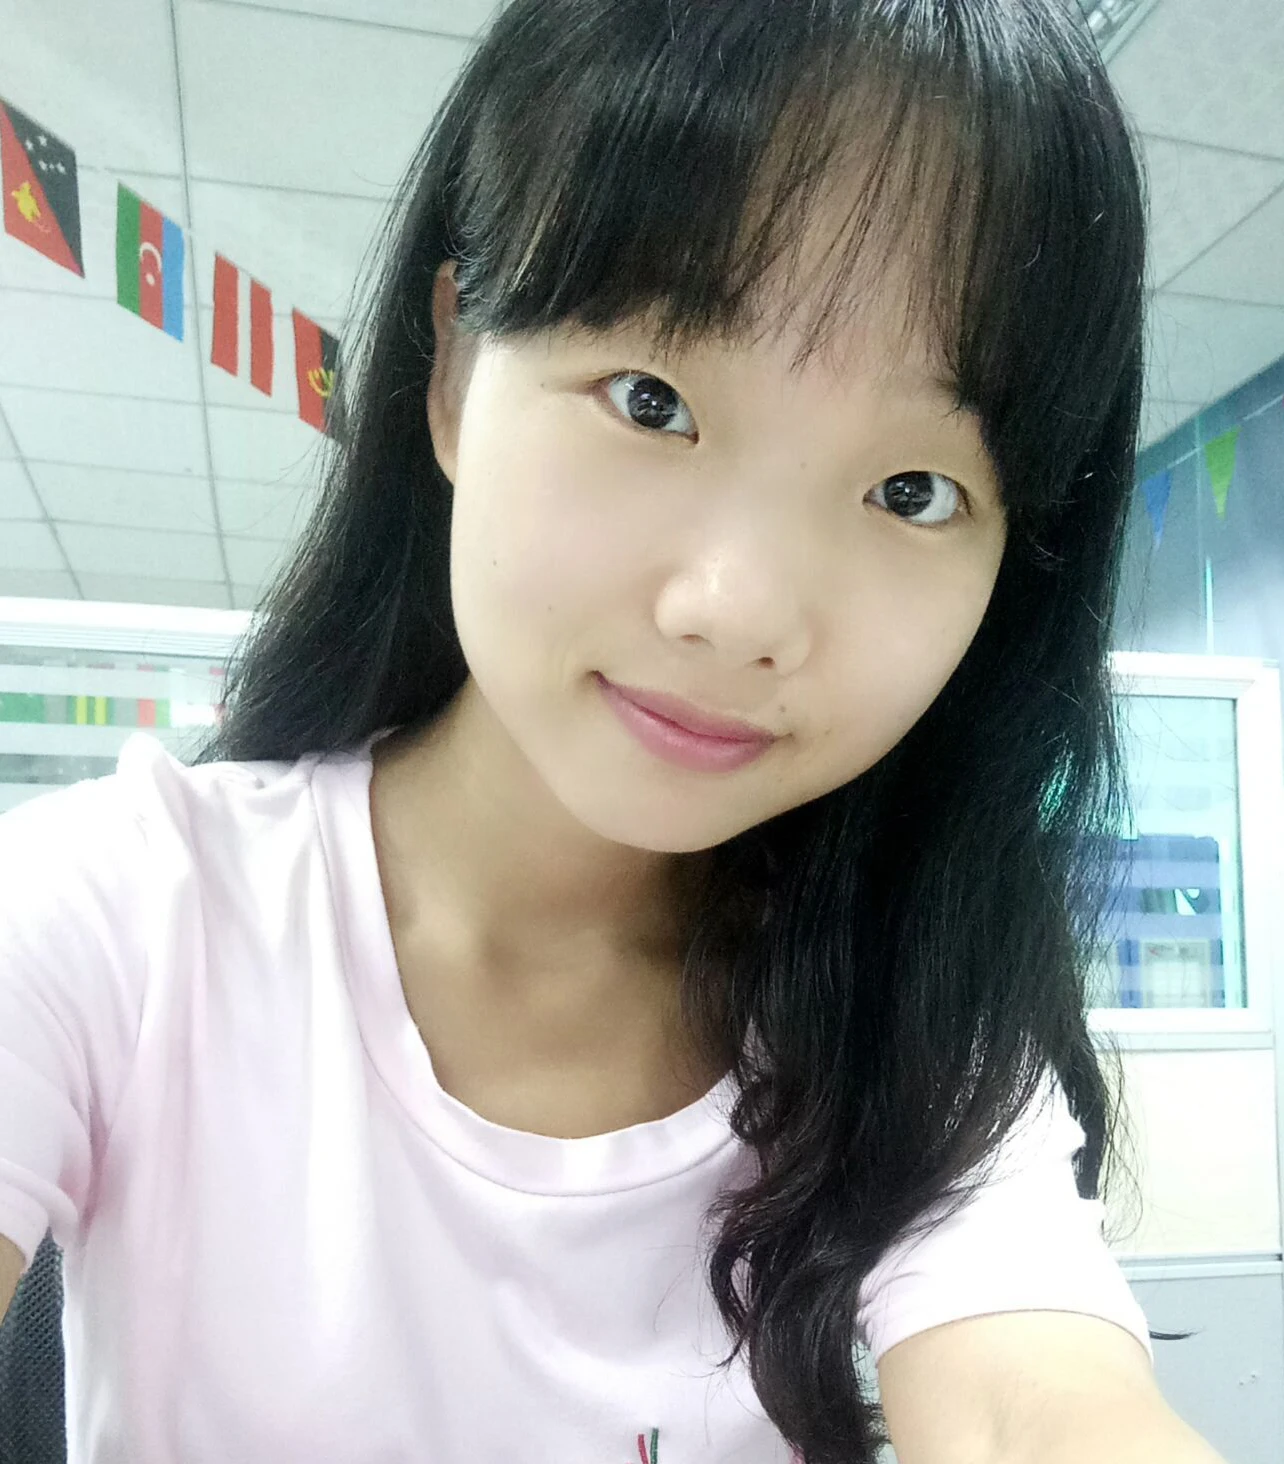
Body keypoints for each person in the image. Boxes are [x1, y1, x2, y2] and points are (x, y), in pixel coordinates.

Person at [0, 2, 1224, 1462]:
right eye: (652, 401)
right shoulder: (119, 914)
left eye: (914, 492)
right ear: (455, 373)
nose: (739, 610)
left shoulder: (909, 1021)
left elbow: (1041, 1401)